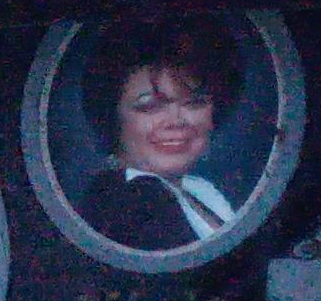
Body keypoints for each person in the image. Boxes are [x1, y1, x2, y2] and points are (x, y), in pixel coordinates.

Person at [73, 18, 243, 251]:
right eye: (150, 105)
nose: (176, 121)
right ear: (112, 115)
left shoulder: (200, 190)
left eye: (194, 102)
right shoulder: (124, 204)